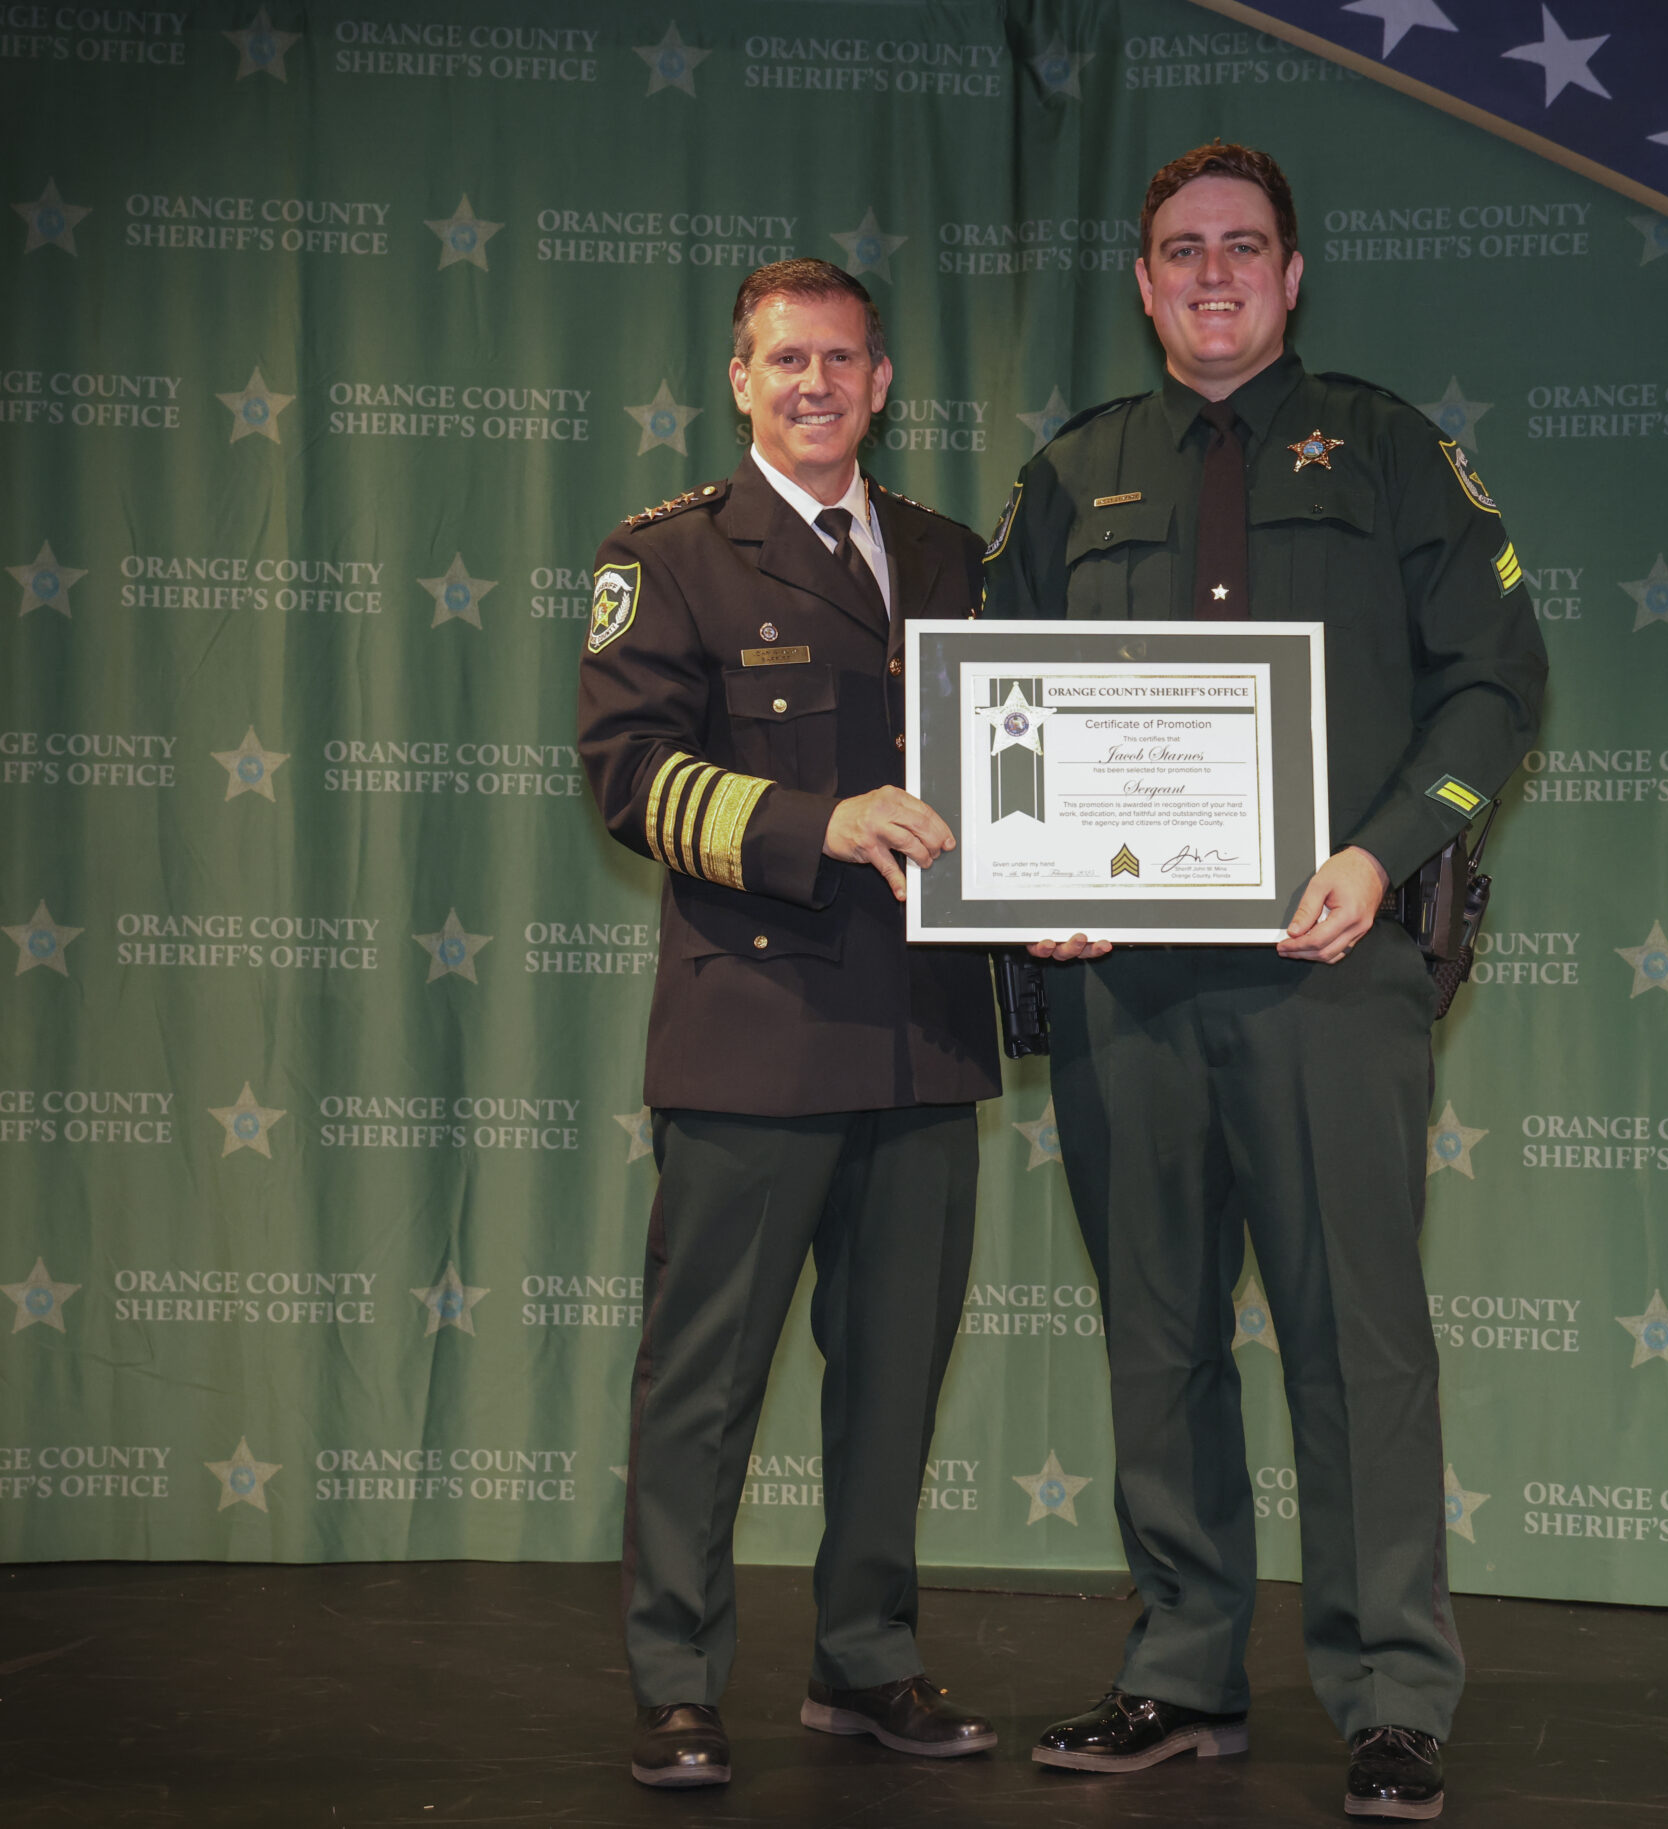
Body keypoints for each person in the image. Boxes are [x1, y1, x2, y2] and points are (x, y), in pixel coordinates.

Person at [981, 143, 1547, 1821]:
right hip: (1126, 985)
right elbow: (990, 696)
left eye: (1243, 247)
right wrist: (1028, 878)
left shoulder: (1390, 451)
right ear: (1144, 283)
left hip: (1332, 968)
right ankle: (1179, 1670)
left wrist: (1385, 849)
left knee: (1356, 1340)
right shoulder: (1074, 472)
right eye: (1181, 250)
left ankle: (1392, 1692)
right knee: (1156, 1333)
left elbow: (1497, 680)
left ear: (1292, 275)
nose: (1213, 273)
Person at [576, 257, 1001, 1788]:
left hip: (923, 1036)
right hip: (754, 1035)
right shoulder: (670, 556)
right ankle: (677, 1679)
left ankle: (865, 1657)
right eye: (784, 359)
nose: (814, 383)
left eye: (840, 359)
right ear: (740, 381)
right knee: (706, 1384)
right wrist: (820, 823)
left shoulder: (953, 556)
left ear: (881, 383)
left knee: (893, 1382)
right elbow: (630, 777)